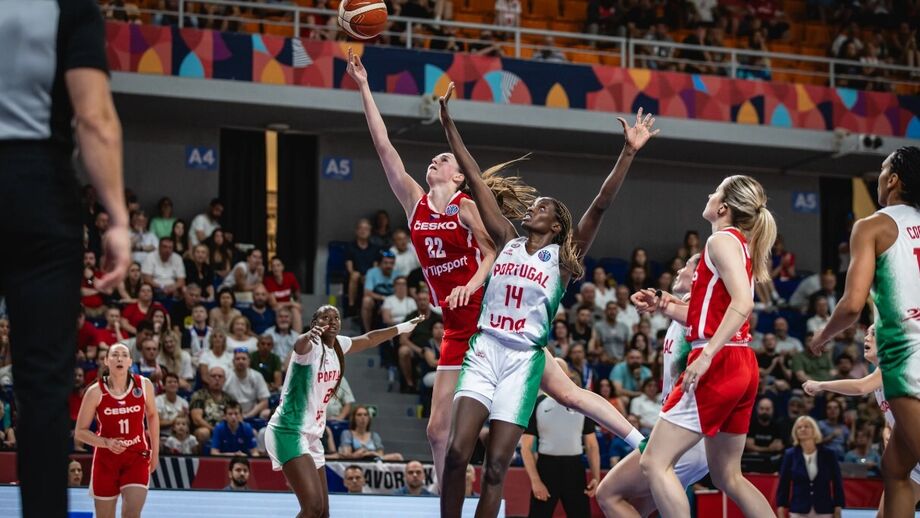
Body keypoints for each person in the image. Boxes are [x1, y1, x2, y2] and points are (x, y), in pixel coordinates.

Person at [436, 87, 657, 517]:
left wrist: (627, 153)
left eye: (541, 207)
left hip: (524, 361)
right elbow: (476, 178)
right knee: (458, 453)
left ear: (556, 224)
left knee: (498, 465)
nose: (531, 208)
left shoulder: (564, 261)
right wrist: (448, 125)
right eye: (532, 205)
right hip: (484, 351)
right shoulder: (505, 239)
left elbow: (601, 204)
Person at [632, 175, 777, 517]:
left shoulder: (720, 242)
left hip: (719, 360)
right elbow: (710, 312)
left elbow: (743, 303)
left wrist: (707, 354)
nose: (709, 194)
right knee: (728, 476)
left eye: (715, 191)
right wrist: (665, 304)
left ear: (723, 207)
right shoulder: (738, 243)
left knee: (654, 462)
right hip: (741, 361)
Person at [810, 147, 920, 516]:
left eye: (882, 169)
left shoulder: (872, 226)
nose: (878, 177)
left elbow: (852, 305)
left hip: (907, 357)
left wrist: (822, 336)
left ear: (894, 180)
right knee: (895, 469)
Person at [263, 305, 422, 518]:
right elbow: (299, 345)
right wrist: (308, 335)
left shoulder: (338, 345)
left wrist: (402, 327)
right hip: (287, 430)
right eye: (325, 317)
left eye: (336, 317)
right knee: (312, 508)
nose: (332, 320)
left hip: (312, 435)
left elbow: (369, 339)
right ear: (315, 323)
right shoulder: (309, 347)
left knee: (323, 513)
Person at [596, 254, 709, 518]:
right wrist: (659, 299)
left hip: (682, 436)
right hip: (684, 435)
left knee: (608, 494)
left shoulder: (700, 315)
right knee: (635, 510)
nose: (678, 270)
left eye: (686, 266)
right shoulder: (683, 313)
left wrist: (660, 300)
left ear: (698, 275)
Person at [805, 324, 920, 516]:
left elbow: (860, 387)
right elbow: (895, 411)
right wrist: (887, 429)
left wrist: (821, 385)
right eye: (866, 333)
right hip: (912, 461)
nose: (866, 338)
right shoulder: (881, 373)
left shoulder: (896, 364)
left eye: (873, 333)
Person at [74, 344, 159, 518]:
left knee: (132, 513)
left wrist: (155, 452)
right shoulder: (95, 392)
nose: (119, 358)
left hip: (136, 455)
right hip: (106, 460)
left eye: (124, 355)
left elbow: (152, 416)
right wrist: (106, 443)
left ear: (130, 362)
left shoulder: (143, 385)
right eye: (114, 355)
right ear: (106, 361)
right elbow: (80, 432)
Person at [522, 359, 601, 518]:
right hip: (546, 469)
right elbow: (526, 448)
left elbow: (592, 445)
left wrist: (596, 476)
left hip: (575, 469)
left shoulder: (582, 403)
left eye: (559, 369)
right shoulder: (537, 404)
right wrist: (535, 481)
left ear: (568, 374)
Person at [775, 416, 845, 518]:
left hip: (824, 509)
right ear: (796, 432)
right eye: (799, 427)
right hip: (798, 510)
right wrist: (781, 506)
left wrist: (838, 506)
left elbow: (837, 482)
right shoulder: (790, 455)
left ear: (814, 430)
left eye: (807, 426)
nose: (803, 429)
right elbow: (783, 483)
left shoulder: (829, 454)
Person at [338, 405, 404, 461]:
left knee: (398, 456)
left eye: (365, 415)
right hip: (356, 462)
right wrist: (357, 455)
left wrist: (369, 454)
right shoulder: (347, 434)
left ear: (368, 418)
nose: (363, 417)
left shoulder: (374, 435)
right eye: (359, 415)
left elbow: (381, 455)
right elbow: (346, 455)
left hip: (374, 462)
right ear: (354, 418)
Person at [223, 348, 270, 420]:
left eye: (243, 359)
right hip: (230, 415)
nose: (241, 361)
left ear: (249, 361)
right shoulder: (226, 375)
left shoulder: (257, 376)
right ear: (233, 362)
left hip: (252, 414)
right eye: (237, 359)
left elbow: (264, 401)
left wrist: (247, 416)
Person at [155, 373, 189, 437]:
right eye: (170, 382)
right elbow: (157, 423)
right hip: (162, 435)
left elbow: (187, 423)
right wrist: (175, 420)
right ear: (163, 386)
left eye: (175, 382)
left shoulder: (184, 402)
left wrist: (186, 416)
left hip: (180, 436)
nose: (173, 384)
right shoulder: (157, 401)